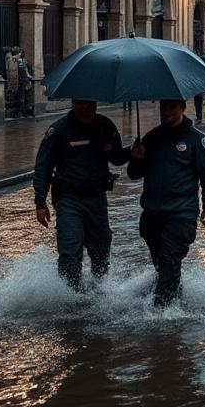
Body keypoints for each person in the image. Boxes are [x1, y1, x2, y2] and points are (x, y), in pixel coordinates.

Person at [128, 99, 205, 306]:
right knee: (163, 265)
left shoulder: (196, 139)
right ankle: (175, 297)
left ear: (182, 108)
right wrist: (136, 158)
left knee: (169, 259)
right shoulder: (151, 138)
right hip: (152, 216)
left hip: (181, 215)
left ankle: (162, 313)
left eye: (172, 107)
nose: (166, 111)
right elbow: (133, 174)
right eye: (163, 107)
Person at [32, 99, 129, 291]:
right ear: (74, 103)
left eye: (91, 104)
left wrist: (132, 152)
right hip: (69, 199)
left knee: (101, 250)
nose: (88, 108)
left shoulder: (105, 126)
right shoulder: (59, 130)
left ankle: (98, 292)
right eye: (83, 104)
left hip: (97, 198)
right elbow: (43, 167)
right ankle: (70, 296)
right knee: (69, 252)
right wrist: (40, 203)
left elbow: (116, 158)